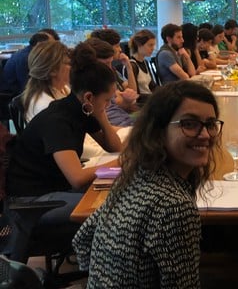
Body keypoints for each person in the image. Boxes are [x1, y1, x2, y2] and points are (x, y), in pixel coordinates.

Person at [73, 81, 221, 288]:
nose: (205, 135)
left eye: (211, 124)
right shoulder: (174, 206)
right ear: (158, 131)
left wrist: (105, 274)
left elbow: (82, 237)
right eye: (189, 124)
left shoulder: (132, 176)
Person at [5, 41, 123, 263]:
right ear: (88, 97)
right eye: (107, 100)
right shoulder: (58, 120)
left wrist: (101, 114)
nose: (108, 105)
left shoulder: (79, 109)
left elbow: (114, 147)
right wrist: (119, 164)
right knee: (115, 206)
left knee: (121, 194)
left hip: (54, 190)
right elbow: (77, 178)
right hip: (32, 202)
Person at [21, 40, 71, 122]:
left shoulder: (63, 88)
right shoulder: (46, 105)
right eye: (68, 63)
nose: (72, 66)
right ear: (53, 71)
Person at [0, 31, 53, 96]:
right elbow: (26, 86)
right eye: (50, 46)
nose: (51, 49)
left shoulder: (27, 52)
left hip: (17, 90)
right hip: (12, 95)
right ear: (39, 44)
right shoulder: (26, 58)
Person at [128, 29, 157, 97]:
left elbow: (152, 86)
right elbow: (136, 94)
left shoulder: (145, 62)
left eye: (153, 45)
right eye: (150, 45)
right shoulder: (132, 65)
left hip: (149, 99)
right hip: (142, 102)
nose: (153, 48)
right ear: (139, 45)